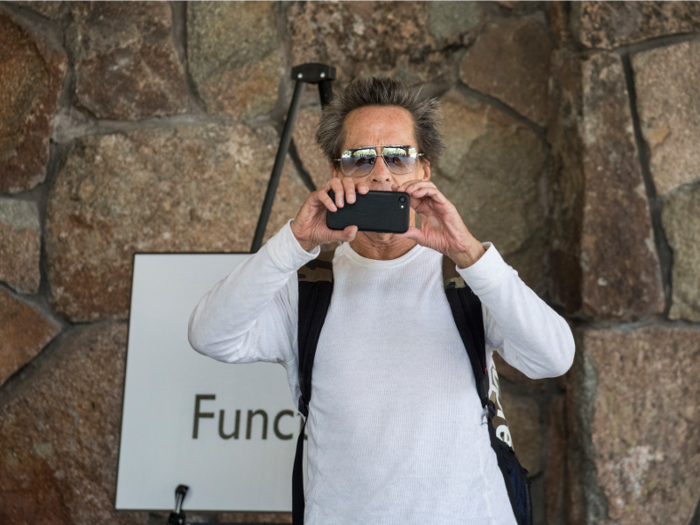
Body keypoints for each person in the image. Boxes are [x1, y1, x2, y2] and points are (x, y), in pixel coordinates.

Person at [188, 77, 575, 524]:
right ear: (337, 172)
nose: (380, 173)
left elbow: (554, 357)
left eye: (397, 156)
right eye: (359, 159)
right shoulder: (311, 286)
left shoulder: (468, 278)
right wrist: (294, 241)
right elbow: (209, 336)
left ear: (424, 170)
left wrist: (469, 252)